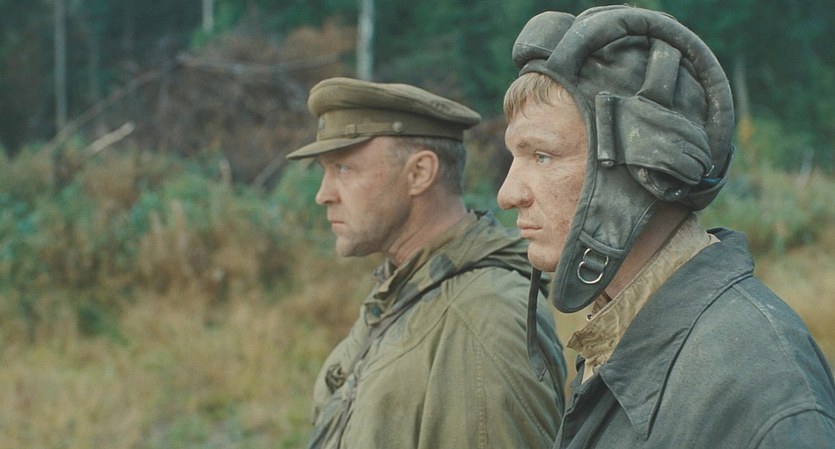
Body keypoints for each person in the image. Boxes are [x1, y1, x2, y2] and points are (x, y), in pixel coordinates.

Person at [497, 5, 835, 448]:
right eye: (516, 157)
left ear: (642, 169)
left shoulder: (759, 387)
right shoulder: (621, 330)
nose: (508, 194)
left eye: (542, 156)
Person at [286, 77, 567, 449]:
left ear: (419, 173)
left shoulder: (483, 320)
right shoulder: (408, 289)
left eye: (343, 169)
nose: (323, 195)